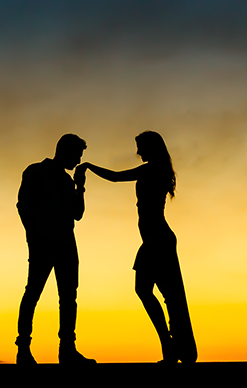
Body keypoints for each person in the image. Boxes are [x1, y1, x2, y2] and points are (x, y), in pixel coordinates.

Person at [80, 131, 196, 363]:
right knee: (158, 293)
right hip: (154, 239)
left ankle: (171, 346)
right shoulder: (156, 169)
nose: (138, 152)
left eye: (140, 147)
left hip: (158, 240)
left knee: (157, 293)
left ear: (151, 148)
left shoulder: (151, 169)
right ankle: (170, 346)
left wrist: (90, 167)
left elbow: (115, 177)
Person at [16, 133, 96, 364]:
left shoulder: (66, 180)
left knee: (69, 297)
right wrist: (33, 236)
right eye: (77, 156)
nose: (78, 162)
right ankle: (23, 348)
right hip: (43, 243)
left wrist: (80, 187)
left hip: (66, 244)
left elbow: (78, 214)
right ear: (65, 151)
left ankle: (67, 349)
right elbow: (23, 206)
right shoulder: (35, 172)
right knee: (33, 293)